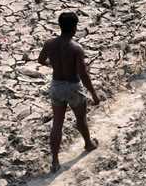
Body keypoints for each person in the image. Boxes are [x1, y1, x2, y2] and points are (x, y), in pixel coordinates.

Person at [38, 12, 100, 173]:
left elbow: (40, 60)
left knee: (57, 124)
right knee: (81, 119)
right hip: (73, 87)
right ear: (74, 27)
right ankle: (88, 143)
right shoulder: (76, 48)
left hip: (56, 86)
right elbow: (83, 74)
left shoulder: (49, 43)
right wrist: (93, 93)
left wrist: (53, 65)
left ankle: (55, 161)